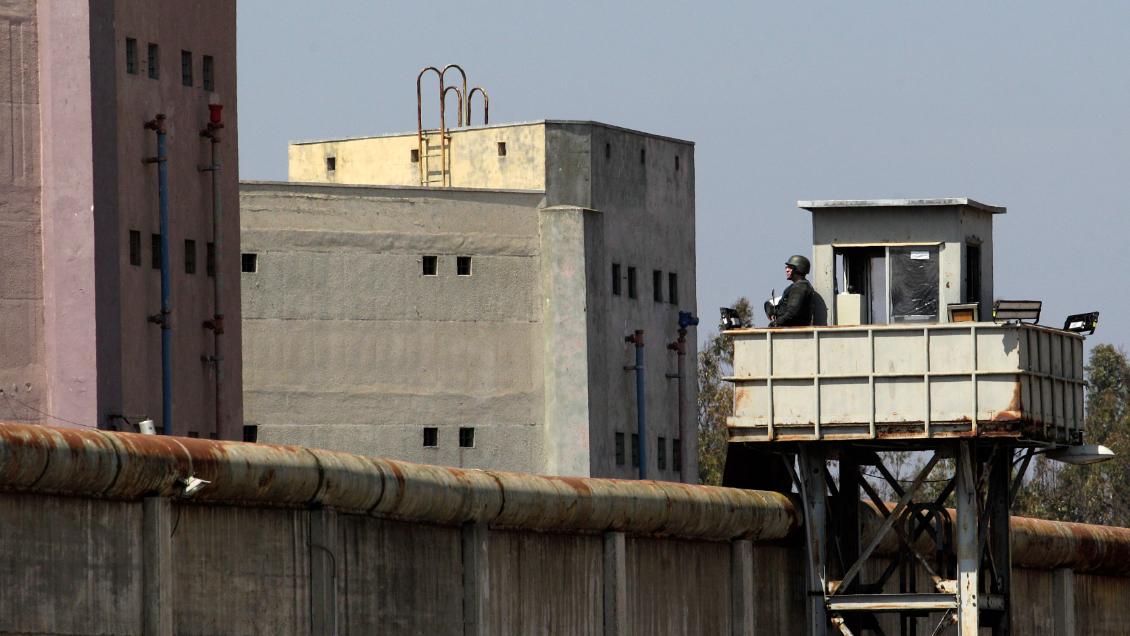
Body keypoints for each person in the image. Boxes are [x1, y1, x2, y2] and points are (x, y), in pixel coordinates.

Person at [771, 255, 814, 327]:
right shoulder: (799, 286)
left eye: (790, 267)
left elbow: (792, 313)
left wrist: (776, 323)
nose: (787, 270)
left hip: (793, 331)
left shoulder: (799, 288)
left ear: (799, 268)